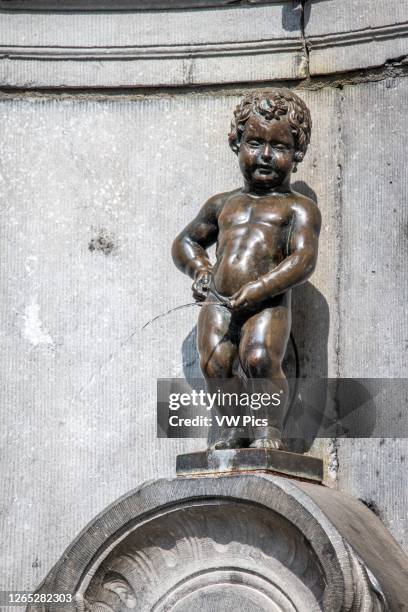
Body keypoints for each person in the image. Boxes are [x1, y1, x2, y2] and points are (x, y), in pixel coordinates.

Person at [172, 90, 321, 450]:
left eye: (280, 147)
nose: (265, 156)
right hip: (219, 300)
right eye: (254, 142)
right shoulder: (223, 204)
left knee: (259, 359)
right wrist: (200, 269)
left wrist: (262, 288)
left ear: (297, 153)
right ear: (236, 143)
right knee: (215, 364)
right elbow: (185, 242)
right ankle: (233, 429)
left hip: (267, 302)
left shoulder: (298, 209)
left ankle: (268, 430)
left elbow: (303, 260)